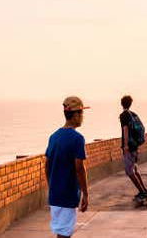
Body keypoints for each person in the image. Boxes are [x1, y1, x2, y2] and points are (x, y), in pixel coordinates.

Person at [46, 96, 89, 238]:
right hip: (68, 194)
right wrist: (85, 194)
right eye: (81, 113)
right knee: (64, 234)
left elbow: (47, 165)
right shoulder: (77, 138)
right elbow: (79, 168)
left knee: (61, 232)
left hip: (55, 195)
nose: (82, 117)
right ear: (75, 115)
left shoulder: (53, 137)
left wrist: (51, 186)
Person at [118, 95, 147, 205]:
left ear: (122, 104)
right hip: (135, 145)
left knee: (129, 171)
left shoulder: (123, 115)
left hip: (129, 147)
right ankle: (144, 190)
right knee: (135, 169)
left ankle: (142, 192)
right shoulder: (134, 114)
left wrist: (125, 146)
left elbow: (125, 130)